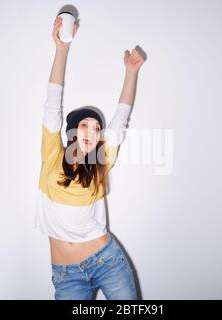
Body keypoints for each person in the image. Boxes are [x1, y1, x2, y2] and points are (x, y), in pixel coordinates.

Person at [35, 14, 145, 300]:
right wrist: (62, 49)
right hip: (66, 275)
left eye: (97, 128)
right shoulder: (52, 155)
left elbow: (120, 118)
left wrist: (131, 73)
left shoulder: (101, 163)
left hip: (107, 262)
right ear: (72, 131)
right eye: (85, 125)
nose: (92, 131)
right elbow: (52, 104)